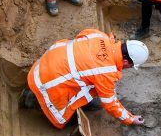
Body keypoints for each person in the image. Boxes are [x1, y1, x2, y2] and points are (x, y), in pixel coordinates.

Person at [21, 29, 150, 129]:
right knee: (63, 119)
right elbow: (110, 103)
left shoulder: (100, 36)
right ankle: (31, 99)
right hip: (46, 83)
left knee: (89, 82)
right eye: (131, 66)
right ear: (126, 61)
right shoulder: (106, 72)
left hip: (44, 64)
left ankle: (35, 93)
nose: (129, 68)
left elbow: (80, 36)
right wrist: (130, 119)